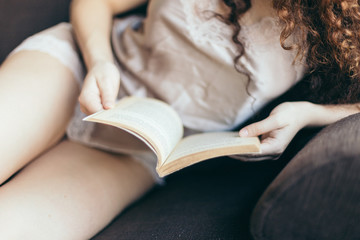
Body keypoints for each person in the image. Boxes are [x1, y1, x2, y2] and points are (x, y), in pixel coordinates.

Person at [0, 0, 359, 238]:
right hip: (78, 68)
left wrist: (309, 114)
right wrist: (99, 60)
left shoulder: (337, 21)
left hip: (143, 148)